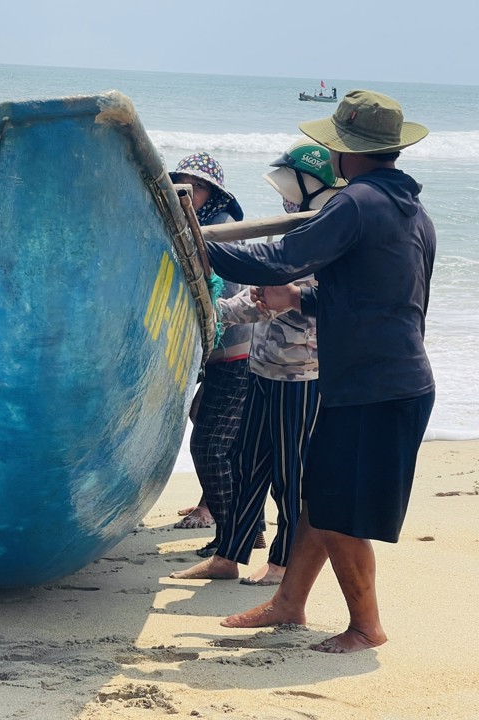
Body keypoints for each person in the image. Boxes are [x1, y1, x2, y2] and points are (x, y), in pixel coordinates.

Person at [202, 90, 435, 653]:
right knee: (318, 496)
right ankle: (289, 604)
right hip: (384, 378)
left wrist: (199, 245)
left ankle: (365, 625)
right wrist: (299, 300)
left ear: (343, 151)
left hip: (375, 386)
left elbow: (281, 256)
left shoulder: (356, 203)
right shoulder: (411, 210)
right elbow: (380, 296)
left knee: (340, 511)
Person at [171, 140, 344, 586]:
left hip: (301, 376)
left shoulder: (328, 237)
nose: (285, 197)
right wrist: (215, 312)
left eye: (293, 189)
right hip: (261, 368)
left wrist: (280, 298)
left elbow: (325, 301)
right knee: (248, 464)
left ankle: (283, 565)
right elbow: (257, 296)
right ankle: (228, 556)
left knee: (290, 475)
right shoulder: (290, 234)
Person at [168, 153, 252, 557]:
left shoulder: (220, 230)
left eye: (196, 186)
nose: (188, 192)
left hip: (235, 352)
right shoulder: (193, 227)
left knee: (212, 444)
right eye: (181, 183)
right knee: (211, 428)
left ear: (213, 193)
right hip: (213, 353)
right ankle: (237, 527)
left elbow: (229, 298)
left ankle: (239, 535)